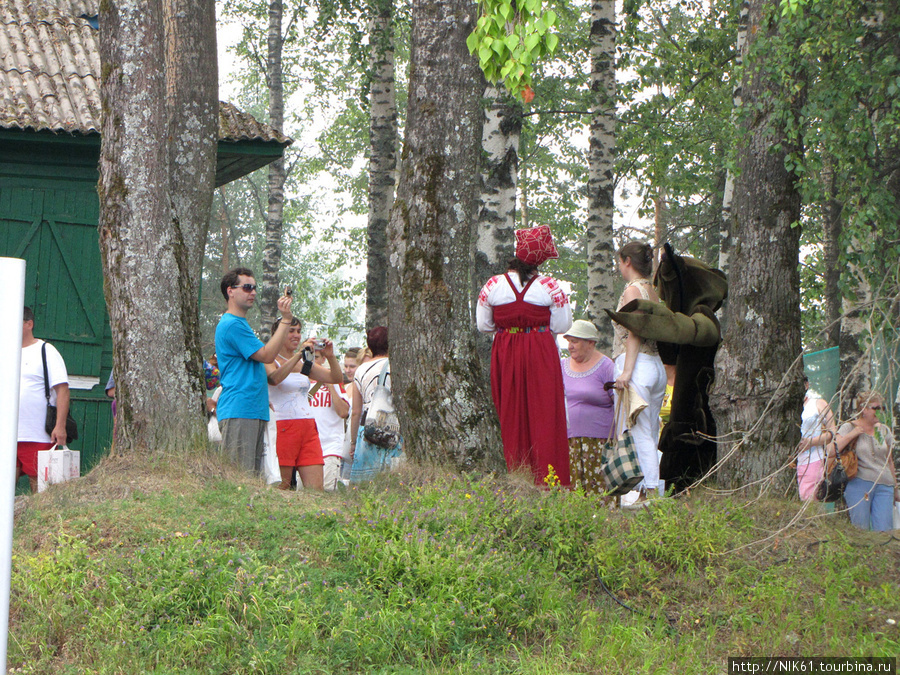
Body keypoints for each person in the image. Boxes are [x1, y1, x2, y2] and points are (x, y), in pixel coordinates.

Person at [477, 225, 573, 487]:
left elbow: (484, 325)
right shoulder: (551, 287)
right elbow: (562, 326)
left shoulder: (492, 285)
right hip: (540, 350)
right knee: (545, 414)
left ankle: (514, 476)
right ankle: (549, 480)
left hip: (505, 351)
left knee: (507, 411)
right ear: (540, 260)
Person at [214, 268, 294, 475]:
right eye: (247, 287)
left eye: (255, 288)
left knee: (252, 480)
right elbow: (266, 355)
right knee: (240, 479)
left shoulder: (240, 324)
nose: (253, 293)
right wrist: (285, 320)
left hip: (251, 408)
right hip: (239, 408)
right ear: (230, 291)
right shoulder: (232, 324)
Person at [611, 241, 667, 503]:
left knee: (639, 430)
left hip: (637, 364)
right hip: (655, 365)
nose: (619, 267)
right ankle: (649, 489)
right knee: (650, 429)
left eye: (619, 262)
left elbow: (635, 330)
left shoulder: (633, 290)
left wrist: (626, 372)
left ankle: (651, 491)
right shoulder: (652, 291)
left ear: (627, 262)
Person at [265, 319, 343, 490]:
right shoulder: (269, 358)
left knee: (316, 490)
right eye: (291, 331)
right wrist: (298, 355)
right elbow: (274, 378)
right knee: (281, 487)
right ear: (278, 334)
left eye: (299, 331)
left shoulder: (303, 363)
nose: (296, 335)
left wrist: (330, 356)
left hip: (307, 426)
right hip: (283, 425)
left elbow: (336, 378)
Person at [17, 306, 70, 493]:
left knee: (41, 491)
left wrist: (60, 426)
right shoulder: (5, 351)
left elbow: (62, 390)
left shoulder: (45, 351)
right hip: (7, 435)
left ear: (28, 324)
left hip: (37, 434)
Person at [561, 320, 615, 494]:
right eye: (569, 341)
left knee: (599, 490)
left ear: (590, 343)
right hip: (569, 441)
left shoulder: (607, 367)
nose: (570, 346)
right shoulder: (561, 366)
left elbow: (619, 403)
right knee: (574, 491)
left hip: (599, 443)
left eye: (574, 341)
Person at [833, 392, 898, 531]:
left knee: (884, 532)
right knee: (860, 530)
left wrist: (896, 488)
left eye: (882, 409)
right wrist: (852, 434)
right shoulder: (850, 427)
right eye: (876, 408)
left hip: (884, 485)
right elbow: (833, 450)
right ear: (864, 409)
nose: (880, 412)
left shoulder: (882, 430)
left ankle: (880, 553)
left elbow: (889, 460)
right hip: (860, 484)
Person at [349, 326, 401, 482]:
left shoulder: (360, 370)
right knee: (392, 477)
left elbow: (356, 411)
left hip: (368, 426)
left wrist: (353, 442)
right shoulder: (397, 366)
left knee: (366, 481)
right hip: (393, 426)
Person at [311, 350, 351, 491]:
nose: (313, 361)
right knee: (305, 492)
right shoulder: (301, 380)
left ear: (323, 359)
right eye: (310, 357)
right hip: (308, 447)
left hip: (330, 446)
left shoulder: (334, 380)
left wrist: (330, 386)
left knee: (327, 490)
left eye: (316, 357)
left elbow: (343, 412)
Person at [796, 376, 837, 501]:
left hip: (812, 460)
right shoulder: (786, 407)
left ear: (807, 385)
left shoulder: (818, 403)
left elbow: (832, 431)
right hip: (790, 462)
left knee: (808, 502)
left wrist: (811, 442)